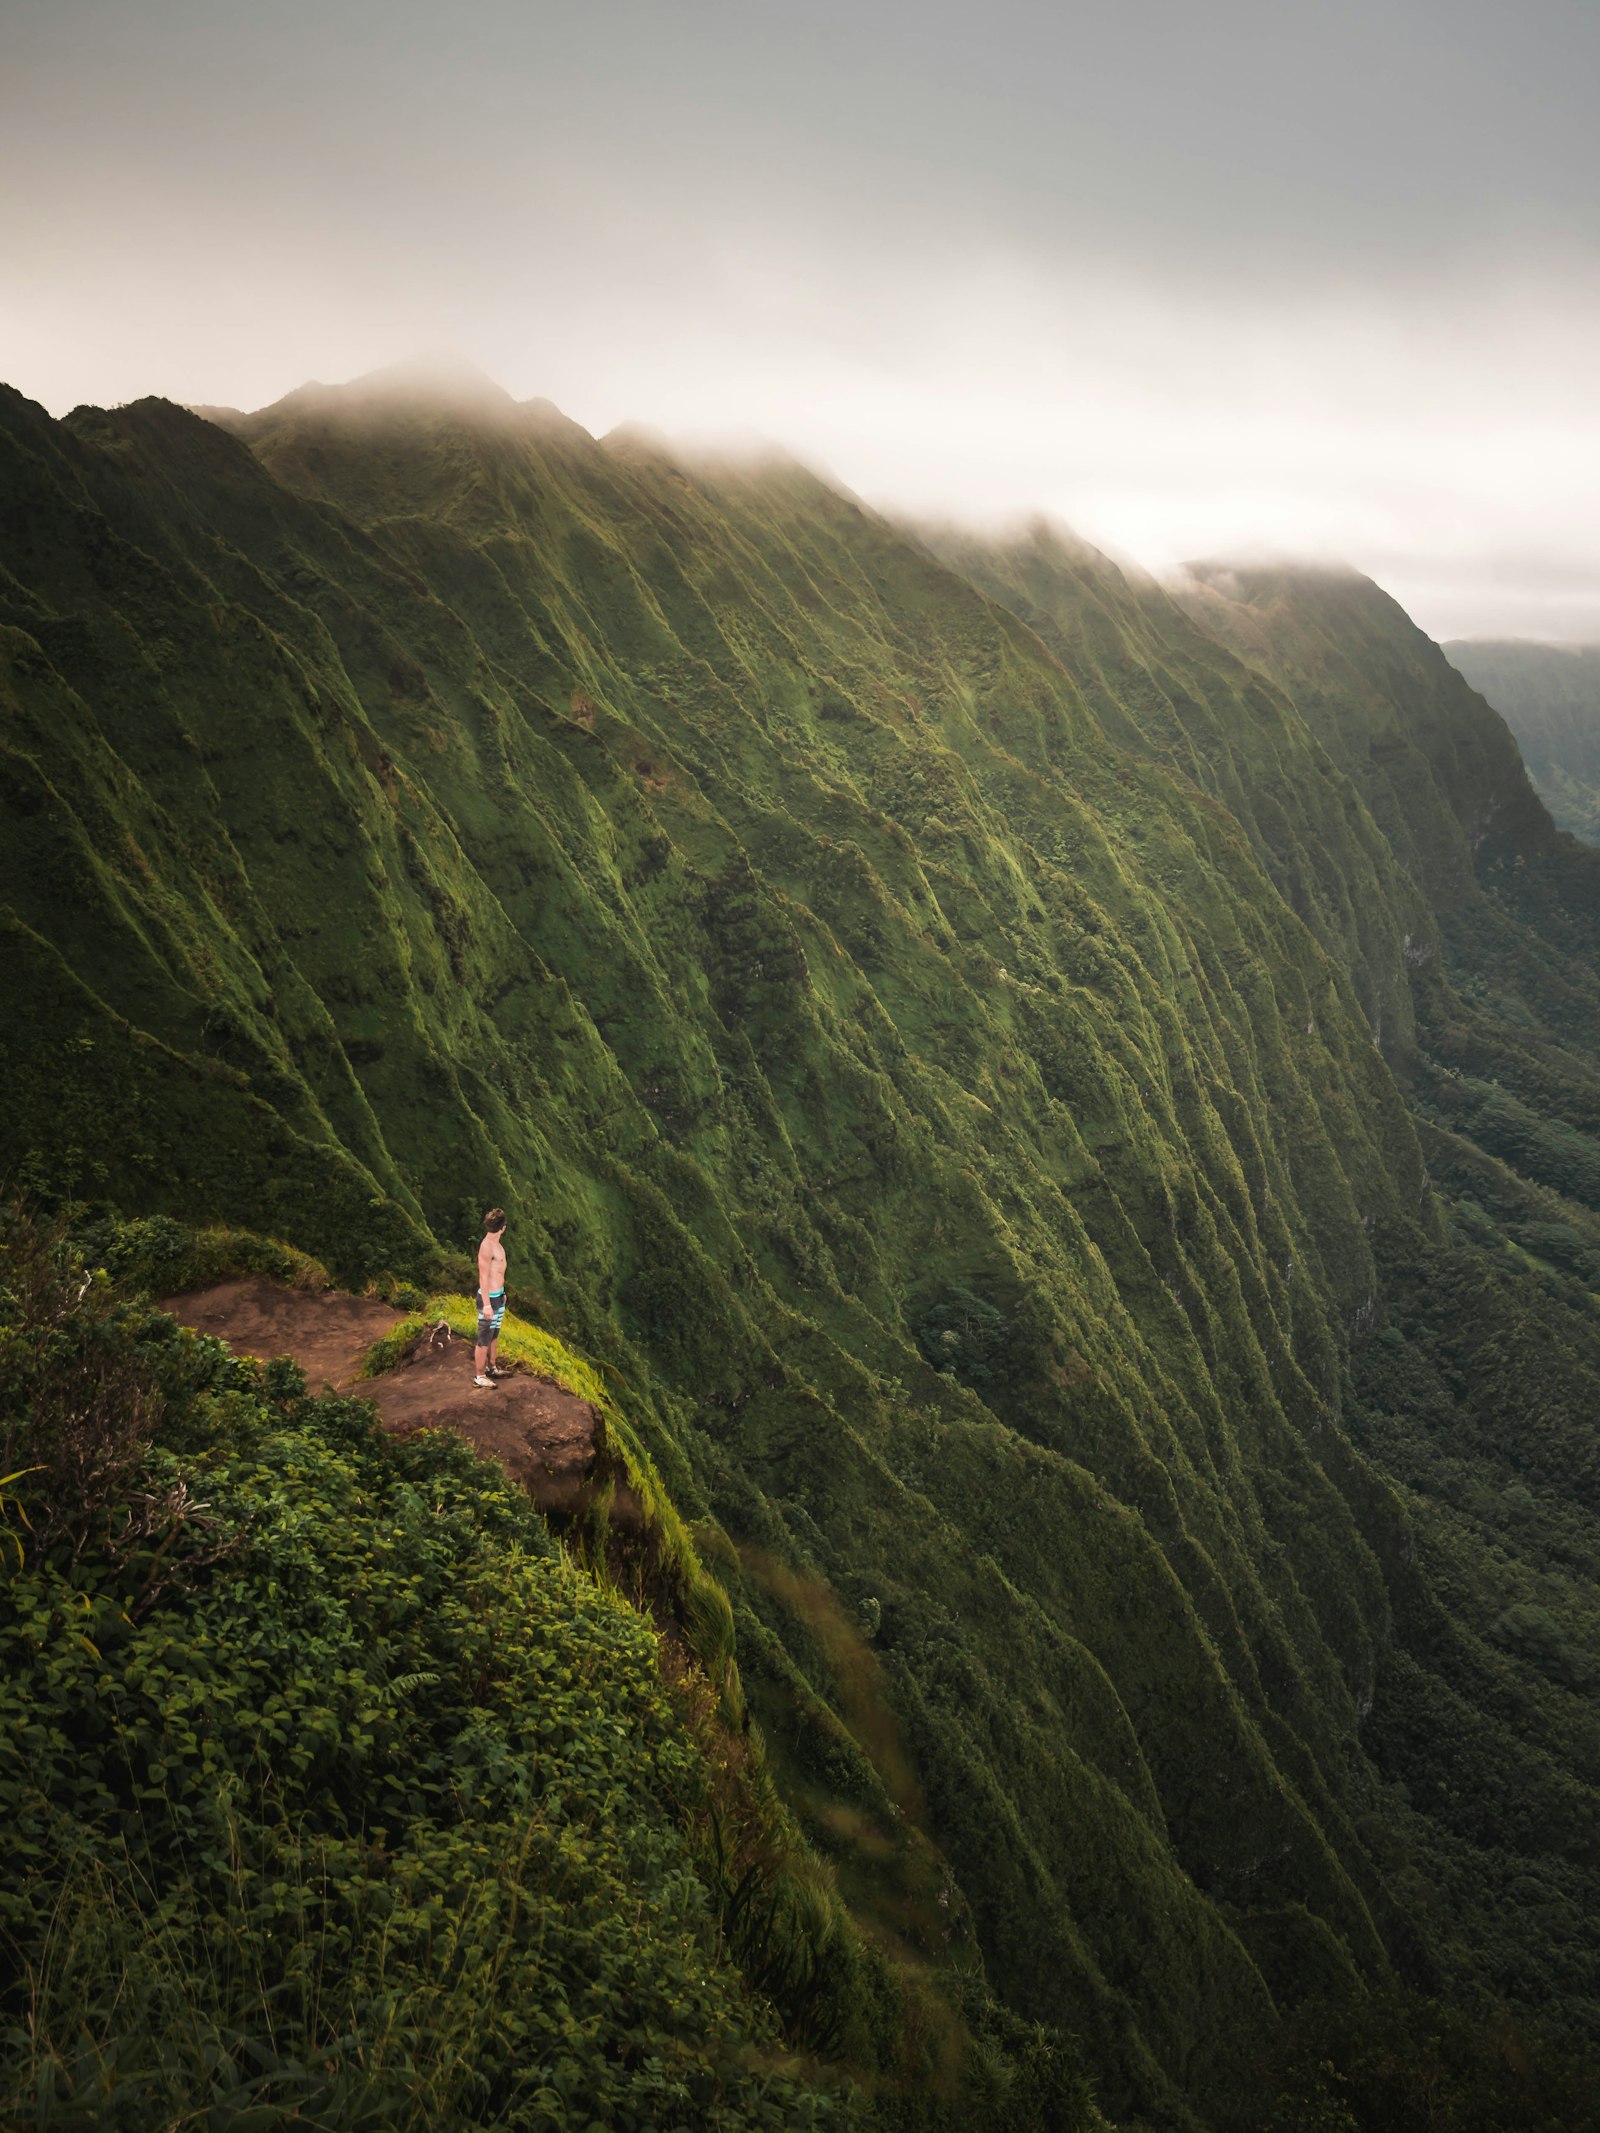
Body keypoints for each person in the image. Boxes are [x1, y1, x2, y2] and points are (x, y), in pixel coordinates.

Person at [473, 1208, 508, 1388]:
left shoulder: (497, 1246)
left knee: (494, 1334)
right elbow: (483, 1277)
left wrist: (501, 1294)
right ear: (503, 1227)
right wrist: (487, 1305)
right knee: (483, 1337)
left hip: (498, 1296)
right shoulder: (487, 1246)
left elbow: (498, 1273)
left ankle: (492, 1367)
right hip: (489, 1299)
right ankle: (479, 1376)